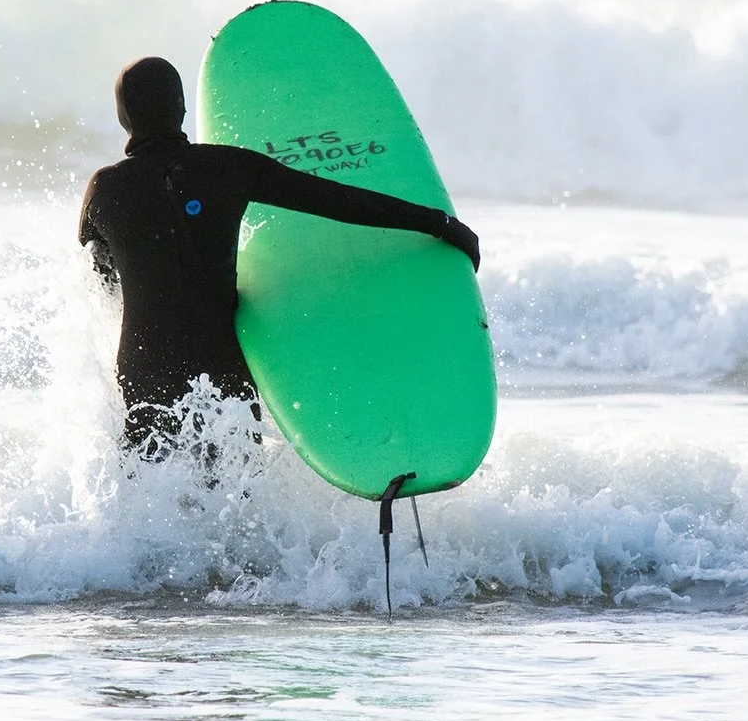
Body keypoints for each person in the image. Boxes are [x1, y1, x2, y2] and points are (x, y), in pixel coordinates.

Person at [79, 56, 481, 453]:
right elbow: (336, 200)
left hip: (144, 367)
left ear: (123, 118)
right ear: (182, 107)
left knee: (150, 498)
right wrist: (438, 223)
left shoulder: (104, 189)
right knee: (236, 499)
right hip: (219, 361)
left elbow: (98, 276)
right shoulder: (227, 167)